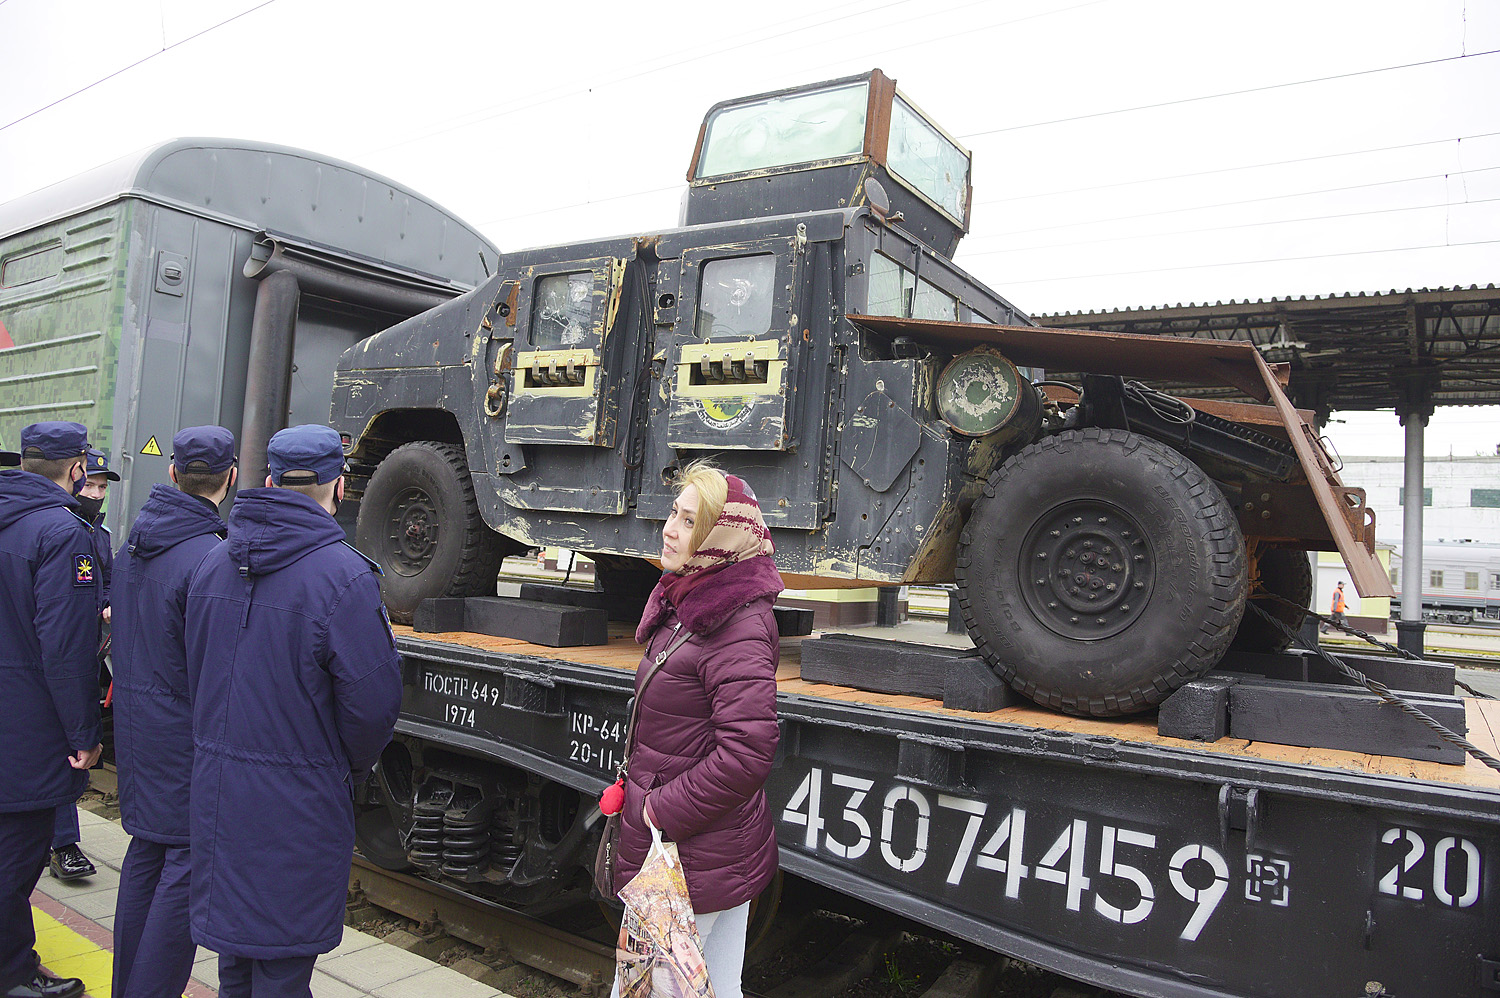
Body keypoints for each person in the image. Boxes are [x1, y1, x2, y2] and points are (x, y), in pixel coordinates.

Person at [184, 424, 402, 998]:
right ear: (340, 484)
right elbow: (373, 709)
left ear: (270, 480)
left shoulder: (212, 562)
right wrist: (338, 768)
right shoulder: (345, 577)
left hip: (217, 796)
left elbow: (195, 672)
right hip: (298, 807)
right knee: (283, 969)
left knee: (236, 961)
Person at [609, 462, 783, 998]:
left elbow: (748, 752)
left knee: (639, 992)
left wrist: (658, 810)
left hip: (686, 862)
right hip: (708, 855)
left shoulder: (734, 624)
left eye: (688, 521)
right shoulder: (695, 604)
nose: (669, 528)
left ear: (718, 540)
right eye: (673, 514)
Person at [110, 427, 237, 998]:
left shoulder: (133, 545)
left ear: (171, 474)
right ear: (231, 478)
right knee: (186, 866)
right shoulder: (213, 558)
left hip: (139, 730)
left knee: (146, 854)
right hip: (188, 739)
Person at [0, 421, 102, 998]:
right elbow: (65, 649)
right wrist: (83, 733)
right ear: (77, 468)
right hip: (25, 728)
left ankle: (17, 955)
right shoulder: (62, 533)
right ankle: (11, 976)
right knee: (15, 859)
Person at [47, 448, 119, 883]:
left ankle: (56, 840)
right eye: (89, 484)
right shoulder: (60, 531)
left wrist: (108, 605)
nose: (94, 493)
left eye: (102, 488)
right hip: (57, 656)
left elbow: (105, 581)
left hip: (85, 654)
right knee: (60, 743)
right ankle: (63, 843)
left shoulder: (101, 534)